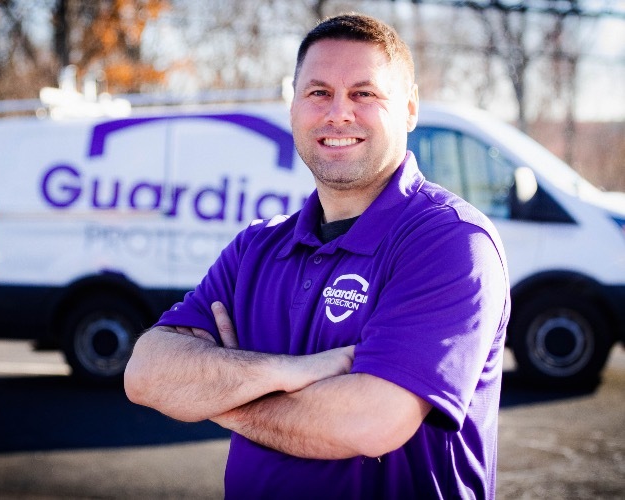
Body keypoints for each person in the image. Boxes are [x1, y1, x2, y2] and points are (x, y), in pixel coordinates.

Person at [125, 12, 510, 499]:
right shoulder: (256, 248)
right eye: (318, 92)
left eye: (364, 93)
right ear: (293, 107)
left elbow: (372, 422)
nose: (338, 113)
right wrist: (287, 372)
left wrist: (219, 395)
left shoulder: (449, 243)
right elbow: (145, 373)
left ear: (409, 108)